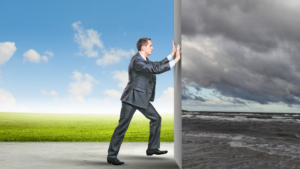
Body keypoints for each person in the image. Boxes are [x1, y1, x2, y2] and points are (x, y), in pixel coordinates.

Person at [107, 37, 181, 165]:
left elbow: (156, 64)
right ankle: (111, 156)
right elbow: (155, 70)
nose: (152, 47)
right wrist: (176, 61)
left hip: (142, 99)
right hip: (131, 99)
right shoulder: (137, 60)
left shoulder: (144, 60)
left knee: (156, 118)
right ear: (143, 47)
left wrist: (172, 55)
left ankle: (152, 148)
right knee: (122, 127)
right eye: (150, 45)